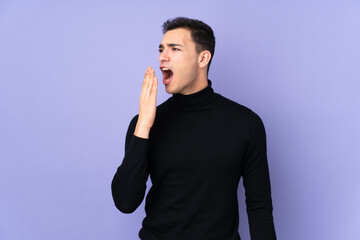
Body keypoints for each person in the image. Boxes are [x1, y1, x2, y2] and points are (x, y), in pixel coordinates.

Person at [111, 17, 276, 240]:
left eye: (174, 49)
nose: (162, 57)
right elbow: (125, 202)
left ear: (203, 58)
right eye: (161, 49)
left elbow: (259, 208)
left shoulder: (246, 123)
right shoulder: (145, 123)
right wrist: (143, 126)